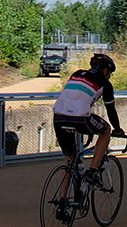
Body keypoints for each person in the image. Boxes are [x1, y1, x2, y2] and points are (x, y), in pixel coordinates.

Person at [51, 52, 123, 184]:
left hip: (58, 117)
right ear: (105, 70)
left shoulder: (77, 74)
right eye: (110, 73)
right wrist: (118, 129)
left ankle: (61, 195)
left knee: (69, 161)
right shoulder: (105, 84)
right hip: (80, 117)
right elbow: (111, 111)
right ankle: (93, 171)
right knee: (106, 130)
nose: (109, 76)